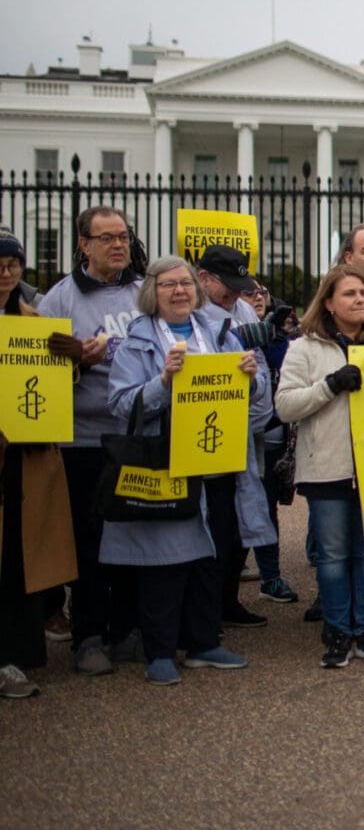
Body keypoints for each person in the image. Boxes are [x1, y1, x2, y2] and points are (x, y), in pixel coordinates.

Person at [106, 256, 273, 684]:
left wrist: (250, 378)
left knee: (211, 555)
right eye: (169, 285)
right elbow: (122, 405)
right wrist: (162, 383)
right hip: (167, 465)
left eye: (184, 284)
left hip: (216, 462)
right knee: (165, 562)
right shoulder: (137, 343)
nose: (179, 291)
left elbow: (252, 396)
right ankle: (160, 650)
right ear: (152, 292)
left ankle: (203, 642)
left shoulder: (221, 333)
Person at [36, 205, 144, 677]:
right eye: (105, 238)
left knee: (132, 536)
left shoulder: (144, 292)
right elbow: (37, 378)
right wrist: (78, 360)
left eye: (122, 236)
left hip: (136, 435)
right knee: (91, 540)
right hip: (85, 440)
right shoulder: (60, 300)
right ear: (83, 244)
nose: (117, 245)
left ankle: (125, 631)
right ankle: (89, 636)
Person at [275, 263, 364, 668]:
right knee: (332, 557)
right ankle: (338, 630)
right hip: (327, 467)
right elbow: (285, 405)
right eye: (349, 294)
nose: (359, 300)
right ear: (328, 302)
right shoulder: (305, 347)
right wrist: (329, 385)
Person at [0, 233, 76, 698]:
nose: (6, 273)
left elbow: (55, 384)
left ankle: (15, 655)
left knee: (18, 562)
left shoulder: (33, 319)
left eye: (13, 264)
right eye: (1, 264)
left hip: (25, 457)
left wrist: (72, 360)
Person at [193, 244, 280, 625]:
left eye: (237, 284)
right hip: (205, 431)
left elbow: (260, 371)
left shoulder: (240, 308)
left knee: (237, 522)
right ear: (204, 278)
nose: (233, 293)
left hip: (244, 428)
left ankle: (226, 602)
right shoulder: (193, 312)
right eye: (225, 284)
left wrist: (257, 393)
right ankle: (206, 608)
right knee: (210, 523)